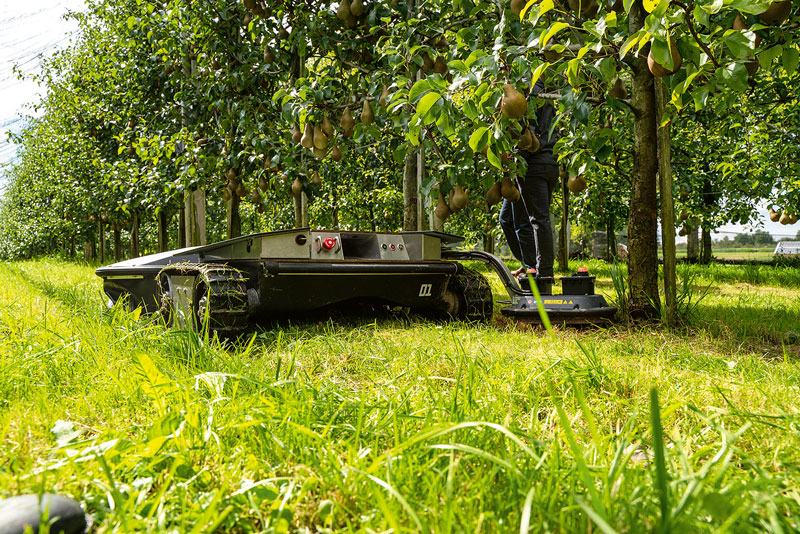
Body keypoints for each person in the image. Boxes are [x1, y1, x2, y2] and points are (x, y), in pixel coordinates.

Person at [499, 79, 559, 279]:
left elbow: (527, 137)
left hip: (533, 166)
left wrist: (513, 162)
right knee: (509, 218)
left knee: (537, 220)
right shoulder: (547, 96)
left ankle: (543, 273)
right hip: (549, 163)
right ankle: (530, 265)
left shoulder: (528, 97)